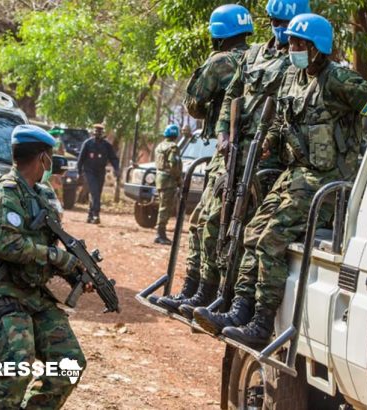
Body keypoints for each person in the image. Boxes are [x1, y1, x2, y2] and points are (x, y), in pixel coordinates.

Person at [194, 13, 367, 346]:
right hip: (296, 174)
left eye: (301, 43)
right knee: (251, 232)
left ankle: (261, 322)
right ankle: (240, 309)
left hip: (327, 181)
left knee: (271, 238)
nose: (294, 48)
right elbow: (280, 122)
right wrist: (270, 142)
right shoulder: (292, 78)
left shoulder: (340, 81)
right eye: (292, 42)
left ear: (319, 47)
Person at [165, 0, 310, 320]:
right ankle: (201, 289)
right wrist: (223, 134)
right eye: (274, 19)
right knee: (210, 221)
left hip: (268, 158)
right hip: (235, 151)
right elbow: (232, 96)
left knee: (236, 227)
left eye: (285, 22)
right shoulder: (253, 54)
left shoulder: (303, 63)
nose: (279, 27)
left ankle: (224, 296)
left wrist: (272, 143)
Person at [0, 124, 89, 408]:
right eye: (51, 157)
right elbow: (6, 245)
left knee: (69, 364)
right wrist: (57, 257)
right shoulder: (5, 193)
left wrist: (76, 274)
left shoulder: (40, 194)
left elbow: (49, 249)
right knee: (16, 367)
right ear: (43, 158)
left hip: (32, 294)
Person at [155, 3, 253, 309]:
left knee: (203, 222)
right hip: (252, 156)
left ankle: (199, 290)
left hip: (225, 153)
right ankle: (208, 290)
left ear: (217, 36)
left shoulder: (221, 61)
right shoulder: (259, 57)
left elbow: (194, 103)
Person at [76, 124, 120, 224]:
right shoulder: (87, 143)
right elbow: (81, 159)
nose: (97, 134)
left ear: (102, 133)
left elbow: (113, 158)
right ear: (93, 132)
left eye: (99, 132)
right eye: (96, 132)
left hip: (100, 172)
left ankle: (90, 215)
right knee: (95, 192)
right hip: (89, 171)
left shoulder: (106, 145)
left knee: (97, 193)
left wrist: (116, 169)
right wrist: (78, 172)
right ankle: (96, 214)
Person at [153, 124, 183, 245]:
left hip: (159, 178)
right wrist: (179, 179)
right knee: (165, 207)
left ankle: (160, 233)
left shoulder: (160, 146)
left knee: (162, 205)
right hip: (169, 181)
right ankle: (160, 234)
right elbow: (173, 165)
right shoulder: (173, 147)